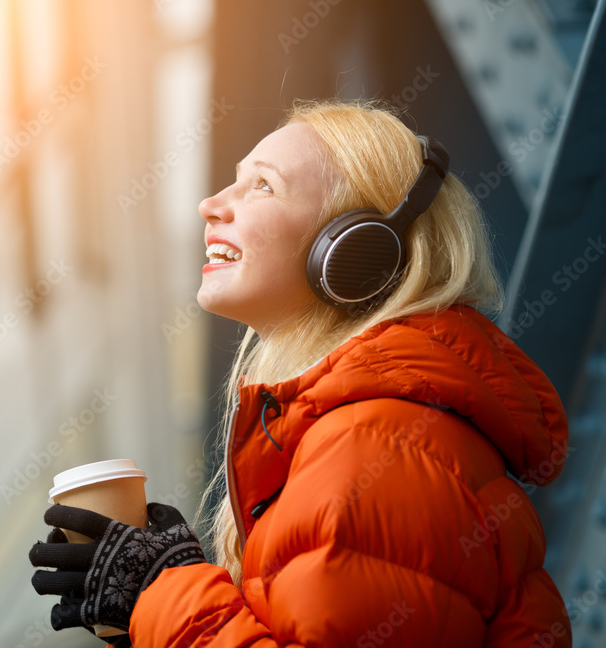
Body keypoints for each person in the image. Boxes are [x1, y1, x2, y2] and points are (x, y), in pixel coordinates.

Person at [28, 99, 571, 647]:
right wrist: (145, 614)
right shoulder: (356, 428)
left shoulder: (377, 444)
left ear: (356, 250)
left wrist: (163, 590)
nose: (210, 204)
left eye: (262, 186)